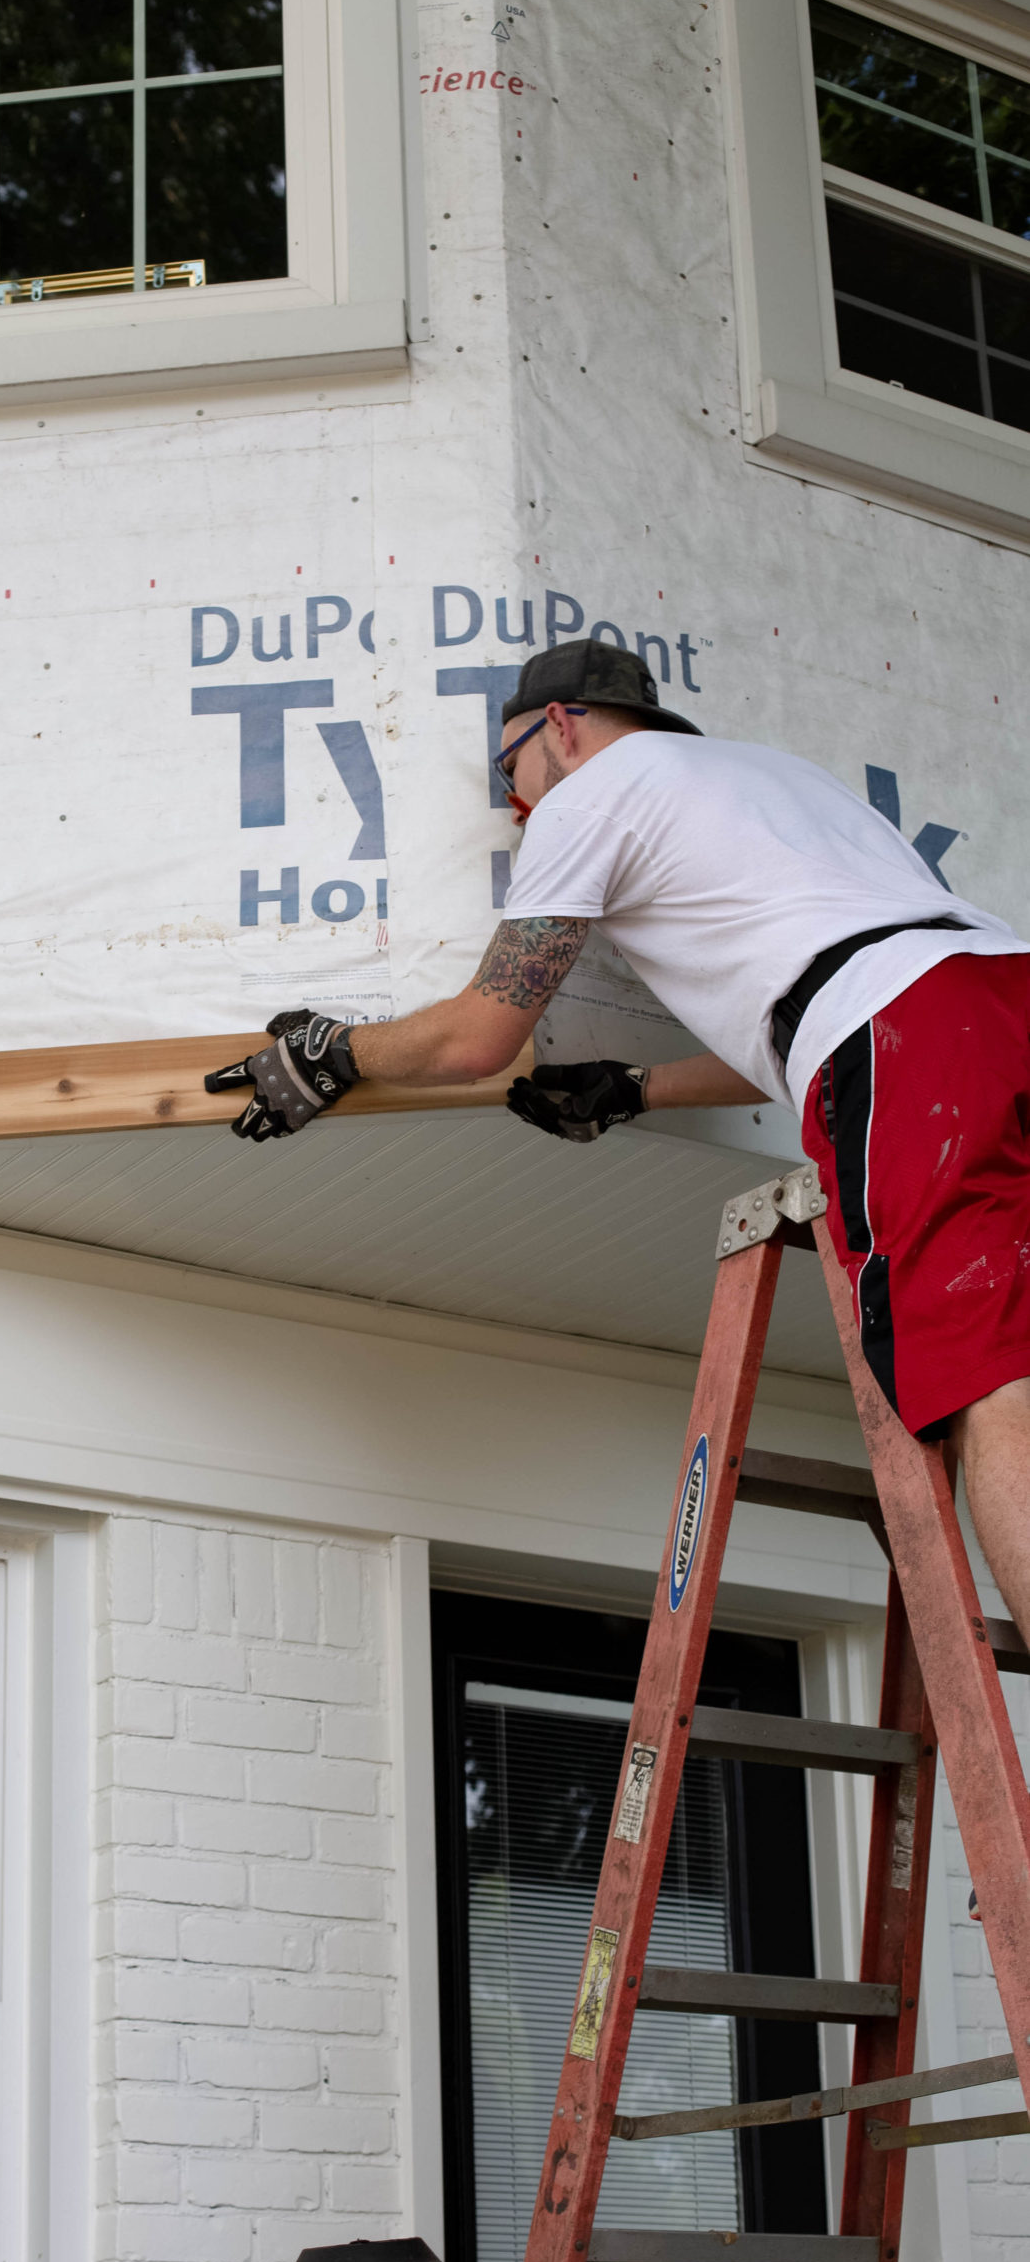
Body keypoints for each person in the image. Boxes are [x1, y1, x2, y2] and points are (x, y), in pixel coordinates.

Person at [206, 638, 1030, 1646]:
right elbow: (811, 1011)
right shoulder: (780, 782)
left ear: (558, 726)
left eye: (508, 770)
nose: (516, 802)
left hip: (915, 1043)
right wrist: (638, 1088)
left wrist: (337, 1054)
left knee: (985, 1377)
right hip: (990, 996)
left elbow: (479, 1037)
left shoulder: (591, 794)